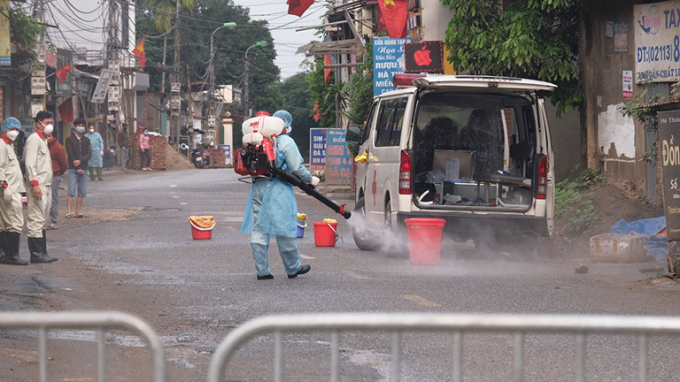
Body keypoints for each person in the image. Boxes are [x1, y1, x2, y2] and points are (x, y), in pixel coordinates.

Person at [240, 110, 319, 280]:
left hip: (258, 186)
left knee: (259, 228)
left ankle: (262, 271)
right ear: (286, 125)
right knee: (285, 229)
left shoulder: (257, 140)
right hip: (278, 189)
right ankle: (293, 268)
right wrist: (311, 179)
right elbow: (297, 168)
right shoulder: (286, 142)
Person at [24, 111, 58, 263]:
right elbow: (30, 163)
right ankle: (36, 254)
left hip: (46, 184)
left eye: (51, 122)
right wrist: (35, 184)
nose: (50, 125)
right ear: (38, 123)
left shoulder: (43, 139)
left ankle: (42, 252)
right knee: (36, 218)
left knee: (43, 218)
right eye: (47, 122)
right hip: (38, 185)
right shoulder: (34, 139)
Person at [0, 118, 27, 265]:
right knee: (15, 221)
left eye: (17, 129)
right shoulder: (1, 145)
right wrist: (5, 186)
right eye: (12, 129)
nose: (14, 132)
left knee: (4, 223)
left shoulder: (9, 146)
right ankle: (13, 256)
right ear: (5, 129)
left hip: (13, 189)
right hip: (9, 189)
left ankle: (4, 254)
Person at [65, 118, 91, 219]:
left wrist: (81, 161)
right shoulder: (69, 139)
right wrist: (76, 166)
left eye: (82, 125)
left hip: (84, 168)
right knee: (71, 190)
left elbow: (89, 153)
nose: (81, 127)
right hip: (73, 168)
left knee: (82, 191)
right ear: (75, 127)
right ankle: (68, 212)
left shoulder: (86, 140)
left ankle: (78, 212)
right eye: (79, 125)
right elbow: (70, 153)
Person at [47, 131, 67, 230]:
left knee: (52, 198)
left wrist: (58, 173)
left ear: (54, 137)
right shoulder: (43, 146)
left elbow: (64, 164)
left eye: (49, 136)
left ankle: (54, 221)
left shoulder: (58, 148)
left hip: (55, 176)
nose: (47, 138)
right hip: (44, 176)